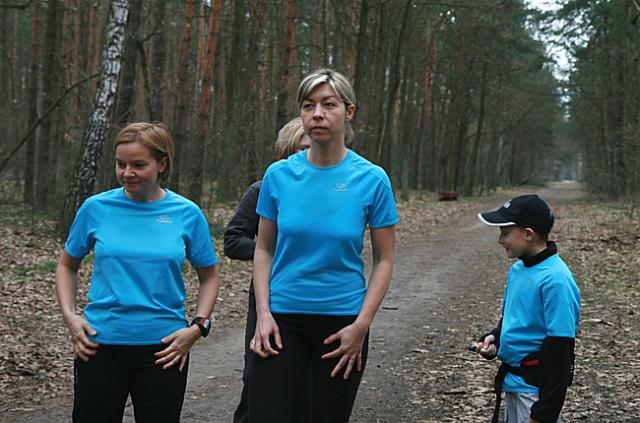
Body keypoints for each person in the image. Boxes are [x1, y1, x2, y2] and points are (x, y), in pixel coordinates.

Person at [248, 68, 399, 423]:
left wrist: (362, 325)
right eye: (308, 105)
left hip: (342, 323)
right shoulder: (278, 175)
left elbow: (384, 260)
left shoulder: (372, 179)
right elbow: (264, 248)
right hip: (281, 321)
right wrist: (263, 314)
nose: (317, 114)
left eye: (328, 105)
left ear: (349, 112)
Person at [55, 122, 220, 423]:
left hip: (165, 348)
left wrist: (198, 326)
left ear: (162, 164)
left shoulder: (187, 213)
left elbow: (208, 275)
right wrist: (70, 316)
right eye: (121, 164)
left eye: (138, 165)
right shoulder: (96, 207)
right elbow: (67, 265)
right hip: (99, 344)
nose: (127, 173)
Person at [224, 117, 312, 423]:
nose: (310, 153)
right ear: (287, 150)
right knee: (258, 379)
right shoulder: (262, 189)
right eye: (302, 148)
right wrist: (274, 252)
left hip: (313, 300)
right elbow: (233, 240)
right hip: (267, 296)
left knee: (307, 387)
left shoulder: (331, 193)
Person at [474, 194, 580, 423]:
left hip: (535, 392)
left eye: (505, 233)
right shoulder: (518, 270)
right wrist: (495, 339)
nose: (500, 240)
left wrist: (544, 413)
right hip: (514, 384)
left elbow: (561, 351)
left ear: (528, 234)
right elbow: (515, 319)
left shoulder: (556, 280)